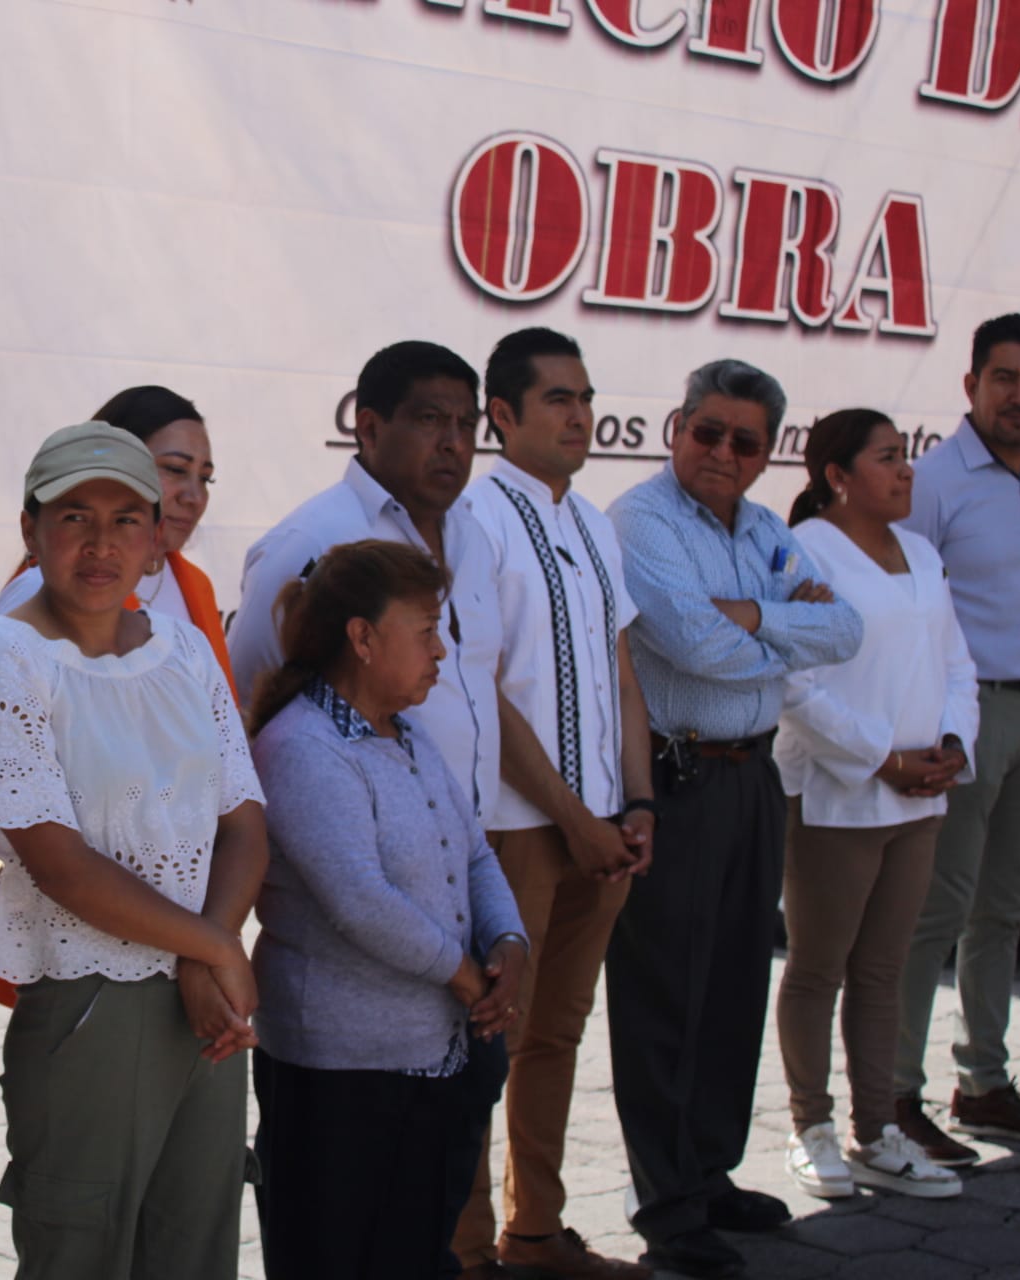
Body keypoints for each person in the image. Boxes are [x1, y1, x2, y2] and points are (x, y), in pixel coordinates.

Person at [0, 421, 267, 1280]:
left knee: (194, 1250)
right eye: (74, 516)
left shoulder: (181, 646)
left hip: (204, 999)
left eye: (126, 519)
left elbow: (244, 819)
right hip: (90, 1005)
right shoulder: (2, 657)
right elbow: (59, 863)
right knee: (83, 1253)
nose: (101, 543)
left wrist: (206, 949)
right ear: (30, 531)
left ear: (157, 536)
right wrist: (215, 946)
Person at [607, 362, 864, 1279]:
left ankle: (708, 1174)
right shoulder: (641, 521)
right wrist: (776, 621)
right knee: (665, 996)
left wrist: (750, 614)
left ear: (767, 456)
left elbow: (847, 632)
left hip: (753, 778)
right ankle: (666, 1204)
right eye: (705, 430)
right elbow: (692, 645)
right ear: (675, 425)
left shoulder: (761, 528)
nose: (720, 452)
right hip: (676, 779)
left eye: (742, 440)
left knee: (732, 990)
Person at [245, 539, 525, 1279]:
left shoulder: (406, 732)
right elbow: (361, 900)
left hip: (434, 1060)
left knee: (413, 1251)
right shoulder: (303, 746)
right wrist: (467, 980)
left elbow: (472, 854)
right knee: (335, 1256)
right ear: (362, 638)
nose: (442, 650)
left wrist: (510, 941)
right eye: (426, 629)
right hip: (343, 1074)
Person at [454, 329, 653, 1280]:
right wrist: (577, 818)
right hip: (515, 826)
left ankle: (534, 1233)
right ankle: (463, 1252)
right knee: (486, 1040)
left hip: (603, 827)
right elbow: (479, 684)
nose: (580, 415)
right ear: (502, 415)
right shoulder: (477, 518)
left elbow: (621, 667)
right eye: (558, 399)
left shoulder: (595, 521)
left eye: (585, 396)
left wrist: (638, 800)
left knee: (557, 1037)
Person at [892, 313, 1020, 1160]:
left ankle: (986, 1084)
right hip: (971, 716)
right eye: (1003, 377)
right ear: (969, 385)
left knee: (1005, 910)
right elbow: (906, 608)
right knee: (936, 913)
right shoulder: (934, 481)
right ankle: (894, 1094)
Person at [774, 410, 975, 1202]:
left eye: (907, 458)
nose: (905, 472)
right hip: (839, 796)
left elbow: (955, 661)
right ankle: (810, 1126)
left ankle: (875, 1131)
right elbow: (795, 682)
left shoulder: (922, 553)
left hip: (921, 795)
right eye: (888, 458)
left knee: (883, 968)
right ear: (837, 475)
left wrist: (953, 743)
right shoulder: (804, 552)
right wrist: (879, 758)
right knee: (818, 968)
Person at [228, 340, 504, 821]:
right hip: (357, 845)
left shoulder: (473, 535)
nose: (454, 444)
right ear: (371, 428)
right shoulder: (312, 540)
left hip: (471, 840)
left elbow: (475, 684)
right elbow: (247, 697)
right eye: (430, 420)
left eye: (466, 425)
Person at [0, 385, 234, 690]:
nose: (194, 497)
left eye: (205, 478)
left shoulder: (196, 584)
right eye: (175, 469)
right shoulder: (39, 588)